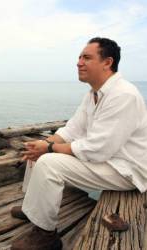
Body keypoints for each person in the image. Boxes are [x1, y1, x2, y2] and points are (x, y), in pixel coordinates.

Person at [10, 37, 147, 250]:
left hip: (126, 169)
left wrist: (49, 149)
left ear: (107, 62)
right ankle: (33, 209)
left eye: (87, 57)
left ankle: (46, 235)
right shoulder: (93, 93)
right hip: (109, 159)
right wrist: (44, 142)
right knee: (37, 149)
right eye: (79, 57)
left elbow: (97, 150)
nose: (79, 62)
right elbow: (72, 130)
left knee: (48, 162)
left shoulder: (123, 95)